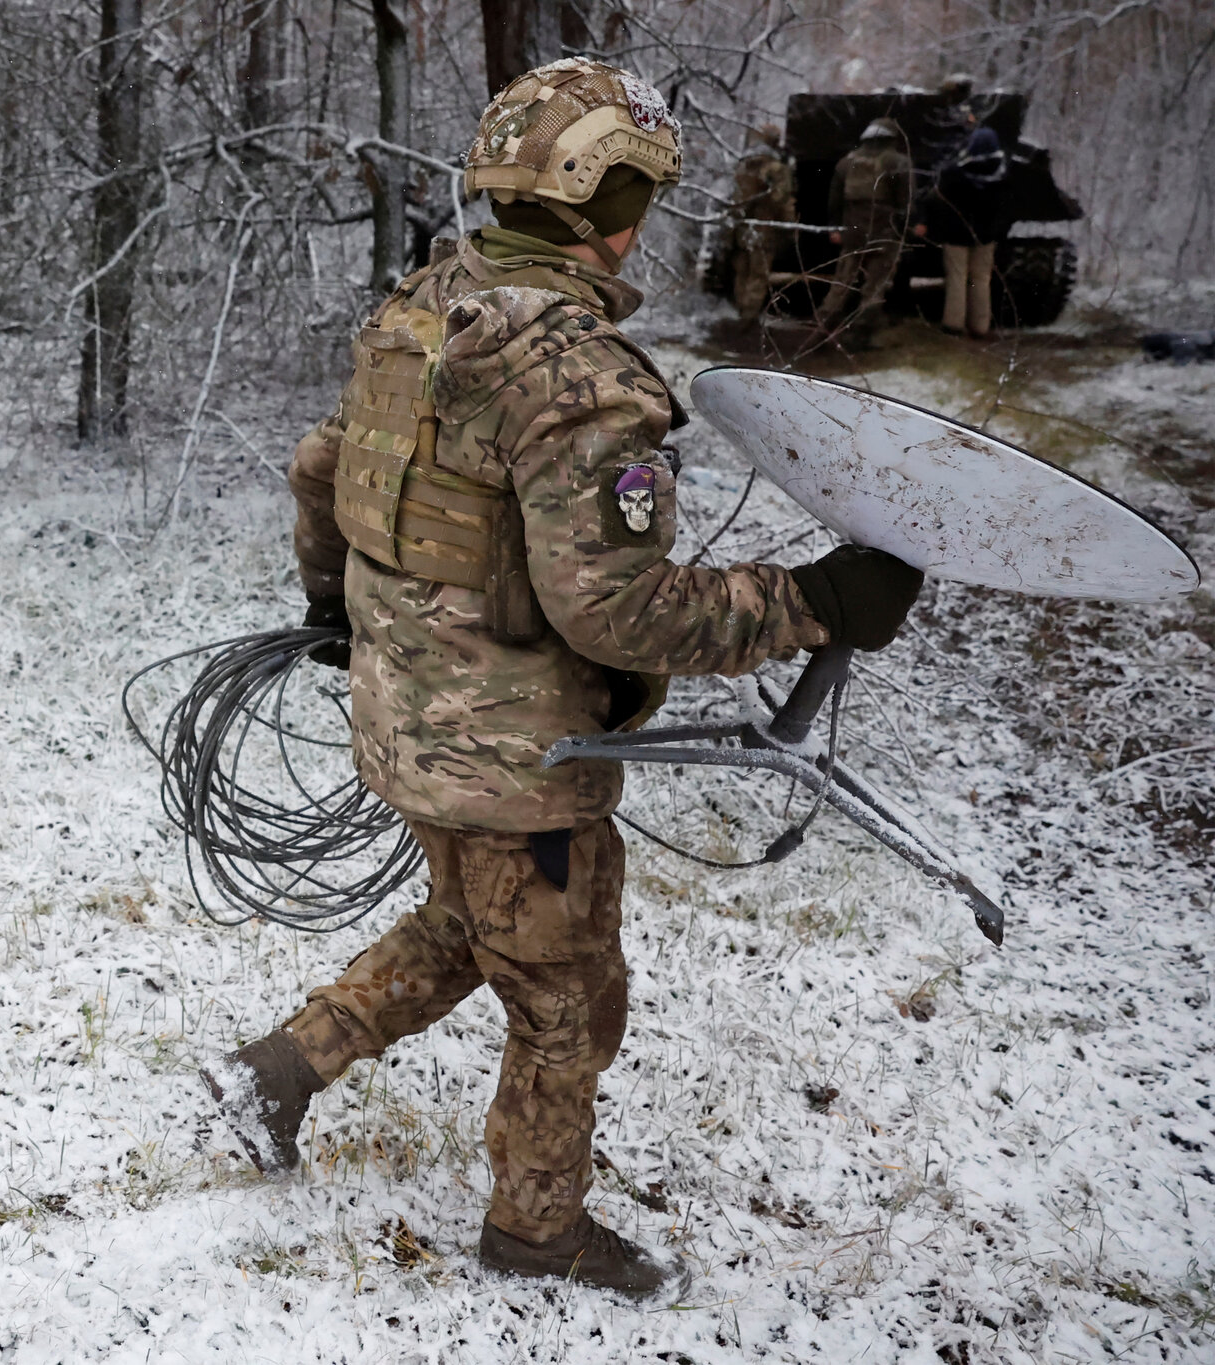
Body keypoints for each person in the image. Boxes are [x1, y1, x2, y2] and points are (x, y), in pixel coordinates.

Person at [201, 57, 924, 1302]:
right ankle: (534, 1234)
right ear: (608, 201)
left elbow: (322, 470)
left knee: (470, 929)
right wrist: (809, 604)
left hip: (407, 720)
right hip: (516, 766)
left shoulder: (423, 305)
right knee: (567, 996)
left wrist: (334, 609)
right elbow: (619, 608)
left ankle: (277, 1072)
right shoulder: (576, 375)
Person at [815, 118, 913, 341]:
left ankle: (821, 328)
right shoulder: (898, 162)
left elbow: (834, 201)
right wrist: (901, 230)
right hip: (884, 233)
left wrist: (835, 228)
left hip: (853, 232)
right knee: (875, 286)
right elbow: (905, 203)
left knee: (841, 284)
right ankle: (863, 334)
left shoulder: (845, 162)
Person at [917, 127, 1012, 338]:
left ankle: (954, 324)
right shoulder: (1003, 175)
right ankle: (980, 326)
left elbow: (935, 199)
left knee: (957, 278)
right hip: (986, 236)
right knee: (981, 279)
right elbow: (1005, 208)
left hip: (955, 234)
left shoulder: (954, 173)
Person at [730, 123, 795, 322]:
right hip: (765, 227)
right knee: (758, 274)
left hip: (742, 226)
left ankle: (740, 310)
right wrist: (790, 226)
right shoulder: (777, 168)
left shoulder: (745, 164)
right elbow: (781, 200)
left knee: (742, 270)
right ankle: (748, 318)